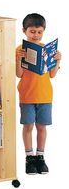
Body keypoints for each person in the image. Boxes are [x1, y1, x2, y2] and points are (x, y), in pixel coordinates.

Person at [16, 13, 61, 175]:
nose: (36, 35)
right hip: (27, 95)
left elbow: (52, 75)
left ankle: (40, 157)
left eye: (39, 32)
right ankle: (29, 157)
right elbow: (18, 74)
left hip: (45, 96)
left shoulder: (46, 50)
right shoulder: (20, 50)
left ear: (43, 32)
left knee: (42, 127)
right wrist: (18, 60)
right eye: (32, 31)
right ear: (24, 31)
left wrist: (57, 61)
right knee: (28, 126)